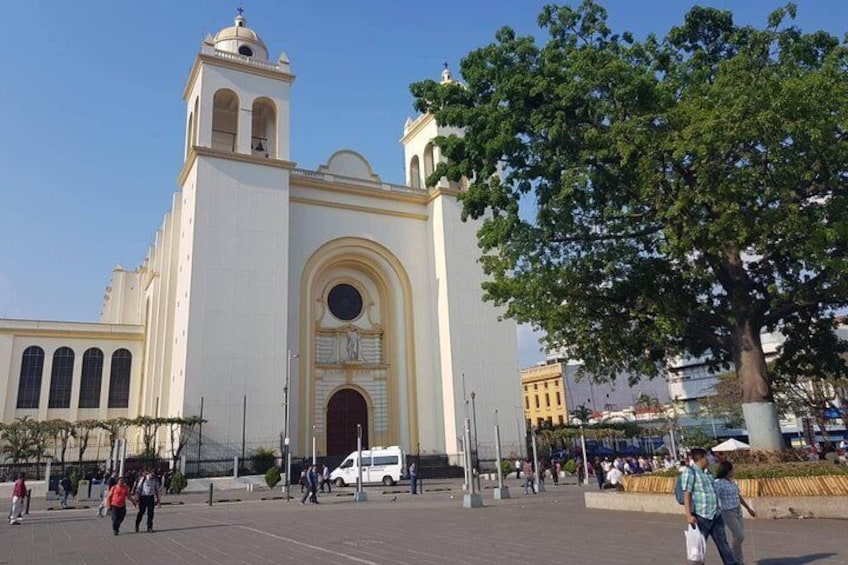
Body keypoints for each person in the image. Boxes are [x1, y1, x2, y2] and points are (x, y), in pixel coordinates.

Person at [681, 448, 738, 565]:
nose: (709, 460)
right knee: (699, 546)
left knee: (723, 544)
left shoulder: (708, 473)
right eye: (707, 457)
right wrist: (688, 514)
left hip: (715, 514)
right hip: (702, 516)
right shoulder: (690, 472)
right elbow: (687, 493)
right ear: (701, 459)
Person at [714, 462, 756, 564]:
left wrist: (748, 508)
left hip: (737, 510)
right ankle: (733, 558)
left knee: (739, 537)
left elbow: (738, 496)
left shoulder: (732, 482)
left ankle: (739, 560)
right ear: (727, 471)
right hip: (727, 511)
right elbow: (714, 497)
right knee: (739, 535)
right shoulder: (718, 483)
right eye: (732, 470)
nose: (733, 471)